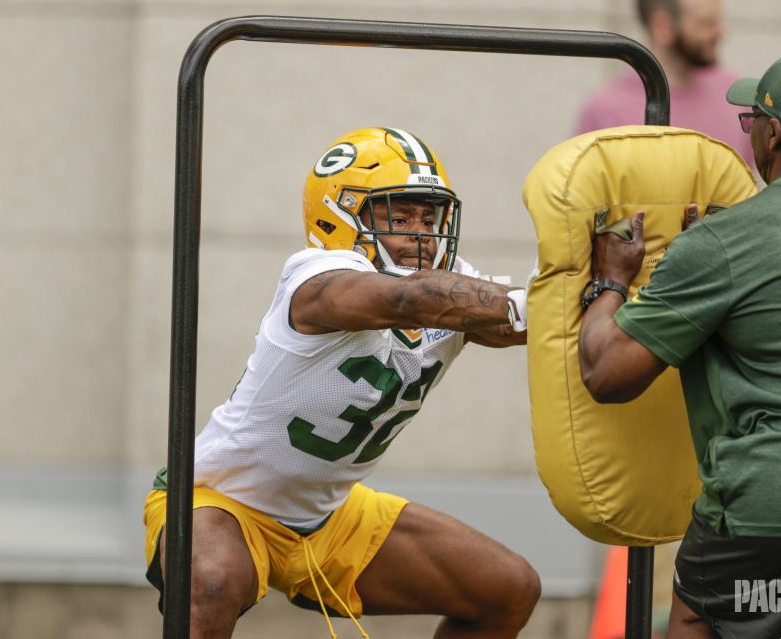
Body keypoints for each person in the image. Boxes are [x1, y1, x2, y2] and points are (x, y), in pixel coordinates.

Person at [143, 127, 540, 638]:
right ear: (340, 216)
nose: (420, 235)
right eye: (399, 217)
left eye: (429, 216)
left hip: (329, 515)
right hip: (221, 503)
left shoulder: (449, 285)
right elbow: (408, 299)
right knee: (213, 581)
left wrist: (600, 289)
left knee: (508, 589)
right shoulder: (317, 276)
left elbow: (522, 325)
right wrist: (521, 303)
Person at [577, 49, 781, 639]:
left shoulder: (723, 243)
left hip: (772, 505)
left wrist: (612, 280)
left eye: (749, 121)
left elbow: (608, 373)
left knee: (697, 620)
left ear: (774, 132)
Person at [576, 0, 754, 167]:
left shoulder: (736, 97)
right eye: (706, 23)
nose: (721, 33)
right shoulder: (605, 112)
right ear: (663, 27)